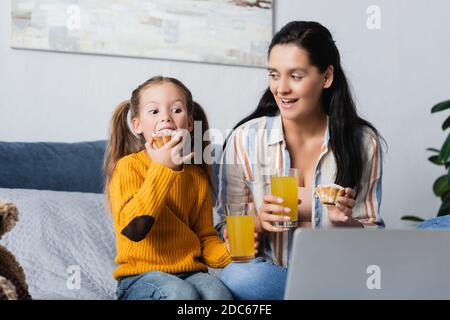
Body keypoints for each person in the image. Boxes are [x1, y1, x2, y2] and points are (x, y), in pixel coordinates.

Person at [215, 21, 386, 300]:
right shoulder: (244, 139)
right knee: (239, 276)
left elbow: (373, 236)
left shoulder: (363, 141)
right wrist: (258, 221)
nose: (281, 88)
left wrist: (345, 222)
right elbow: (227, 227)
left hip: (339, 273)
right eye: (274, 75)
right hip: (273, 276)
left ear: (326, 77)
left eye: (295, 76)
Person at [104, 76, 232, 300]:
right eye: (154, 112)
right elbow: (134, 229)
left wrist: (230, 250)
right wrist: (163, 168)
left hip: (191, 272)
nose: (166, 117)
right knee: (179, 293)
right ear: (137, 125)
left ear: (190, 123)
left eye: (176, 109)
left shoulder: (196, 176)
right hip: (140, 277)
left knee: (217, 293)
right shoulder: (128, 167)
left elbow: (205, 239)